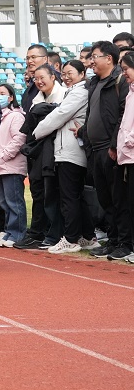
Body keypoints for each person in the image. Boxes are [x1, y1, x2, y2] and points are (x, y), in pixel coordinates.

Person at [31, 60, 94, 253]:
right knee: (75, 196)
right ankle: (87, 236)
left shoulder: (79, 92)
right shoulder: (73, 91)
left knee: (69, 197)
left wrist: (37, 132)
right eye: (64, 74)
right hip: (67, 150)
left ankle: (71, 239)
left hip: (70, 151)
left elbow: (60, 115)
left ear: (82, 74)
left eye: (70, 73)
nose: (66, 77)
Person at [77, 40, 129, 260]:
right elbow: (92, 114)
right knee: (105, 198)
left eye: (94, 57)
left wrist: (114, 145)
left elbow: (123, 115)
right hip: (95, 149)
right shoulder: (95, 83)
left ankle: (125, 243)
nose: (91, 62)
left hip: (111, 149)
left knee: (119, 198)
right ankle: (113, 240)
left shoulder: (120, 81)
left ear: (109, 58)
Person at [0, 84, 27, 248]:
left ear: (11, 97)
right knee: (4, 202)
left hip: (11, 165)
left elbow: (19, 138)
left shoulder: (16, 116)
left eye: (2, 93)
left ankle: (17, 233)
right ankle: (9, 230)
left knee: (14, 201)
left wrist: (4, 155)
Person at [112, 51, 134, 263]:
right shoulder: (130, 92)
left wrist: (128, 140)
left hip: (131, 152)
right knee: (127, 202)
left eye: (126, 69)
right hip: (127, 156)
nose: (124, 73)